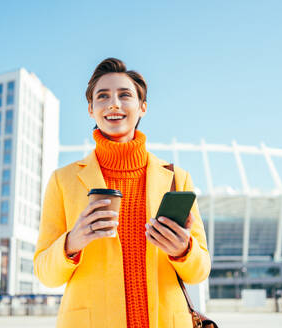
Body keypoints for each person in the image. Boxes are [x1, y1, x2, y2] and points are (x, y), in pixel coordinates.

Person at [33, 58, 211, 328]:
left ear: (143, 107)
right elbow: (45, 274)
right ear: (91, 110)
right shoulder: (62, 180)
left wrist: (184, 250)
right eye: (102, 96)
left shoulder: (177, 178)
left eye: (124, 95)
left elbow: (201, 270)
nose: (113, 103)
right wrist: (71, 242)